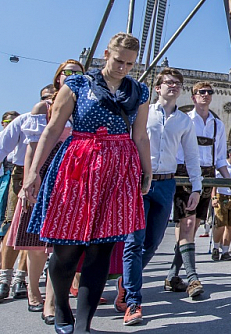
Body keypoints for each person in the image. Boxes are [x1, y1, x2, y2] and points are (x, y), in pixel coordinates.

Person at [24, 33, 151, 334]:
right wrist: (34, 172)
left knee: (101, 249)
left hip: (118, 171)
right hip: (77, 168)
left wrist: (146, 172)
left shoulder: (139, 91)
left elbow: (141, 135)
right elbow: (53, 129)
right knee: (66, 250)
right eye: (118, 61)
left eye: (129, 64)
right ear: (106, 54)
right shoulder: (78, 84)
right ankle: (62, 311)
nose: (123, 68)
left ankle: (83, 325)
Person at [119, 67, 203, 325]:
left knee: (153, 241)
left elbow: (191, 155)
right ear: (157, 87)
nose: (174, 86)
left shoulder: (184, 121)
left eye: (178, 83)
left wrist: (197, 187)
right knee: (134, 240)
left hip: (166, 183)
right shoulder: (143, 112)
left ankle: (126, 278)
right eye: (169, 82)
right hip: (140, 181)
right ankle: (133, 300)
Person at [10, 62, 80, 320]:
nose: (72, 77)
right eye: (68, 72)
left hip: (69, 174)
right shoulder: (44, 107)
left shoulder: (82, 106)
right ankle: (33, 292)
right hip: (44, 169)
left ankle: (53, 301)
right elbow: (32, 146)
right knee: (36, 244)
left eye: (77, 73)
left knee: (61, 244)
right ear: (58, 76)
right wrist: (31, 177)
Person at [168, 81, 231, 281]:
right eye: (201, 92)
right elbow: (178, 153)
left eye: (209, 92)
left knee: (194, 224)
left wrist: (230, 179)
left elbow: (219, 159)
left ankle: (173, 274)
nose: (205, 95)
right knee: (187, 223)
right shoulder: (184, 120)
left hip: (207, 175)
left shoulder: (218, 125)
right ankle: (191, 276)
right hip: (186, 173)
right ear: (193, 97)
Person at [0, 106, 30, 302]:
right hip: (18, 174)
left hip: (50, 172)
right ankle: (4, 278)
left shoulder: (67, 119)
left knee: (35, 230)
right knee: (12, 225)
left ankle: (20, 278)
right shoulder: (26, 120)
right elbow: (3, 148)